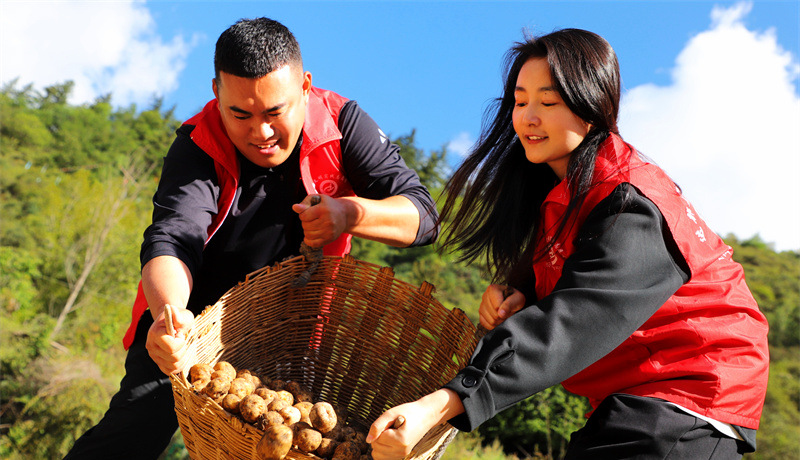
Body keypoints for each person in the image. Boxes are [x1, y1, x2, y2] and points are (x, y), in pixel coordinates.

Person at [367, 28, 769, 459]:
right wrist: (521, 290)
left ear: (592, 106)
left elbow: (573, 321)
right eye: (520, 102)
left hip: (689, 389)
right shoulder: (563, 193)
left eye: (549, 101)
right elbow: (570, 281)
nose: (528, 117)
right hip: (641, 397)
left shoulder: (630, 203)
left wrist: (438, 405)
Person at [64, 17, 438, 459]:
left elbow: (423, 216)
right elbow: (173, 237)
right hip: (194, 321)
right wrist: (169, 314)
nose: (260, 133)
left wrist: (349, 214)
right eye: (240, 114)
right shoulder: (197, 142)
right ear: (216, 92)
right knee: (136, 426)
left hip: (293, 328)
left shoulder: (343, 123)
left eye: (275, 113)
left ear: (305, 87)